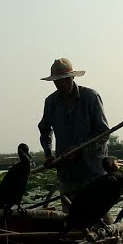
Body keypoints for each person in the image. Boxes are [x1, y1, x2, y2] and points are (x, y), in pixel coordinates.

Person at [38, 57, 111, 198]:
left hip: (93, 170)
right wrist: (48, 154)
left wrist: (81, 149)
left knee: (98, 214)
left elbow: (103, 133)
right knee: (72, 216)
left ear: (72, 78)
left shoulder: (90, 97)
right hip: (67, 173)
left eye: (65, 80)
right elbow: (45, 129)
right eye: (57, 81)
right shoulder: (51, 102)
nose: (61, 84)